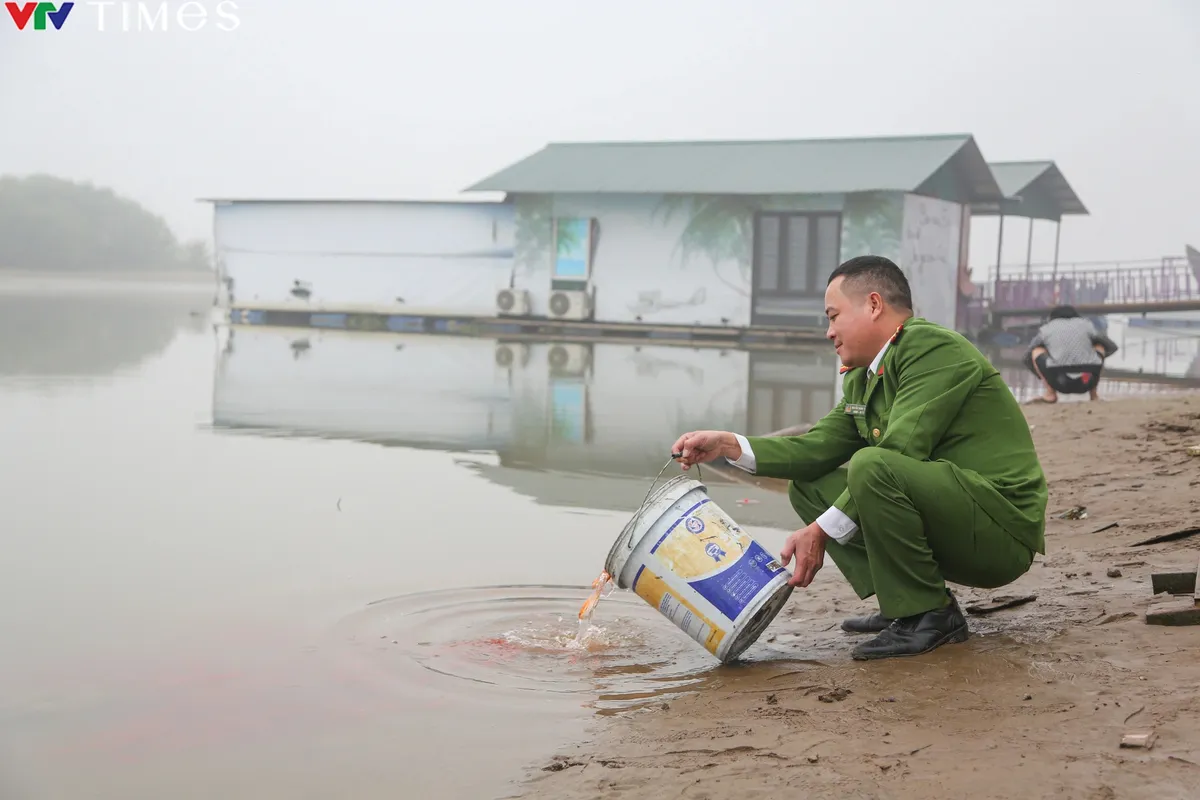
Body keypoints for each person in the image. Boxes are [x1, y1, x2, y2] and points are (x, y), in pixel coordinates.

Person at [672, 255, 1048, 661]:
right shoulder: (863, 376)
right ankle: (903, 603)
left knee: (872, 465)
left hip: (999, 532)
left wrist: (819, 531)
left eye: (833, 316)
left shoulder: (932, 348)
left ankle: (930, 615)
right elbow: (814, 449)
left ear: (873, 305)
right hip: (959, 516)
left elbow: (899, 451)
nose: (829, 332)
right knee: (811, 484)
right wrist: (729, 444)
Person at [1023, 305, 1118, 404]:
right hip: (1087, 380)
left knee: (1036, 350)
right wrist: (1090, 354)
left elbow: (1027, 356)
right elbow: (1111, 346)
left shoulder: (1046, 329)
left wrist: (1042, 373)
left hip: (1059, 381)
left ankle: (1050, 394)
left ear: (1052, 317)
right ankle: (1093, 395)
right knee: (1099, 346)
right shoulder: (1086, 325)